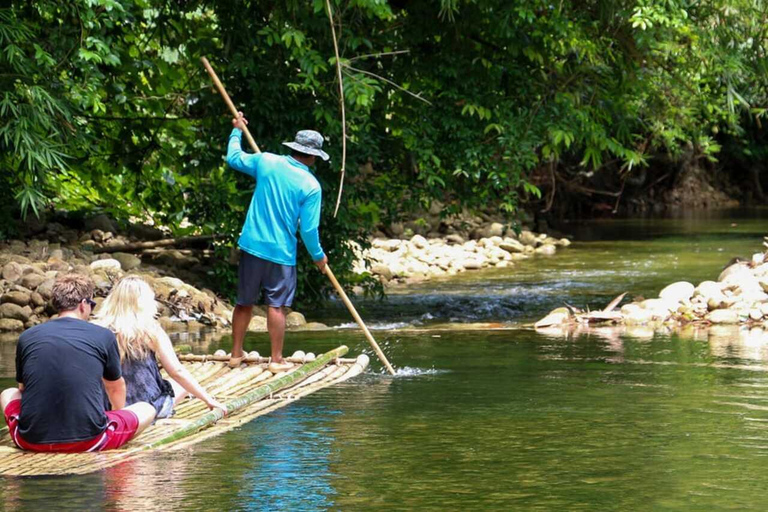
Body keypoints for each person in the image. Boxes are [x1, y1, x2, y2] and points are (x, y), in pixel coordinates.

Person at [0, 274, 156, 452]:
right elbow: (115, 388)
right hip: (90, 441)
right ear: (83, 303)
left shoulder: (27, 337)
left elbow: (22, 388)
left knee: (8, 393)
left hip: (29, 440)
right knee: (146, 409)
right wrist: (116, 414)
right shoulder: (103, 335)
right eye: (92, 305)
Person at [226, 112, 329, 372]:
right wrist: (318, 256)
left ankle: (236, 354)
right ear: (314, 156)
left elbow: (234, 158)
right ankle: (276, 359)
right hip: (280, 252)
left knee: (244, 301)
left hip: (251, 244)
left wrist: (237, 130)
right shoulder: (311, 185)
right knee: (277, 306)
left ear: (294, 148)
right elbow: (308, 229)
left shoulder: (267, 161)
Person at [93, 276, 227, 418]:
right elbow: (176, 371)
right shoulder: (150, 331)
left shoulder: (98, 330)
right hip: (145, 410)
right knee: (180, 386)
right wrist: (209, 400)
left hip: (108, 406)